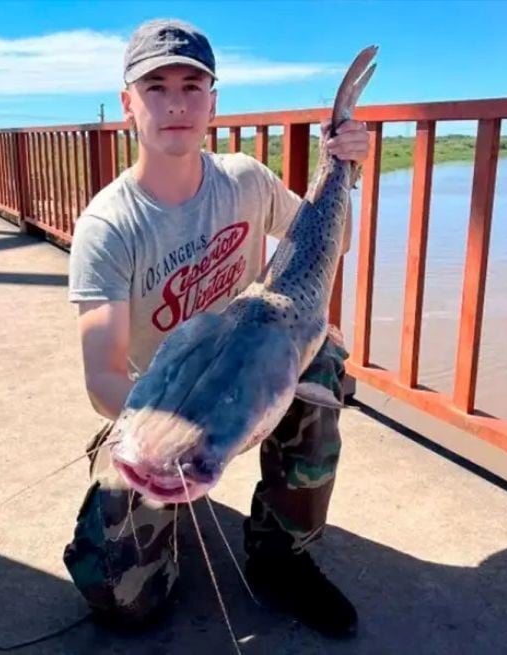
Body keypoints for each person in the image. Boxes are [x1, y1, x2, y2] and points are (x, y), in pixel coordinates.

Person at [62, 19, 368, 638]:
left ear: (212, 102)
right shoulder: (108, 226)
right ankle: (158, 534)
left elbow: (330, 246)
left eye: (191, 85)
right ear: (129, 103)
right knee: (123, 604)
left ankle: (281, 554)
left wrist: (346, 171)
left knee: (323, 363)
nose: (175, 103)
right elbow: (103, 375)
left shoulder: (245, 179)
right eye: (155, 87)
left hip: (256, 368)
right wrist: (174, 431)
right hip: (164, 405)